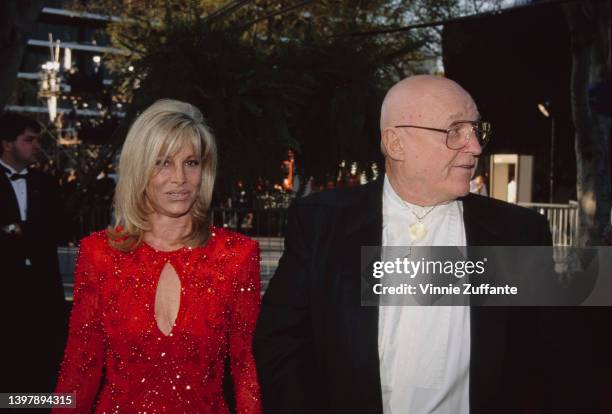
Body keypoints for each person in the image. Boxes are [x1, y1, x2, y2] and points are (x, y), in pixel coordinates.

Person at [253, 75, 596, 413]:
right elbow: (281, 343)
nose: (475, 147)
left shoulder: (518, 234)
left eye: (477, 130)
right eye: (455, 131)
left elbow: (550, 359)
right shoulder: (320, 223)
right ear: (395, 144)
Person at [54, 99, 262, 413]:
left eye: (191, 162)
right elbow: (80, 368)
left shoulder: (236, 255)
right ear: (140, 168)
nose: (179, 178)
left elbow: (248, 369)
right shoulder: (99, 254)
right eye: (163, 162)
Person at [0, 113, 67, 393]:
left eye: (37, 139)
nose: (37, 145)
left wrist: (19, 229)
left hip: (42, 286)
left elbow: (61, 227)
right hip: (5, 287)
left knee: (43, 362)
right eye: (29, 140)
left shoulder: (46, 183)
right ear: (6, 144)